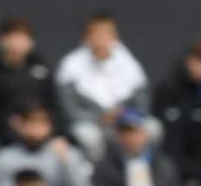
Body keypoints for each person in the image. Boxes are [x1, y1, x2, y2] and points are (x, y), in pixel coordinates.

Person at [54, 13, 149, 160]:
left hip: (125, 122)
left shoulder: (129, 64)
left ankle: (134, 169)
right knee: (88, 136)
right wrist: (99, 118)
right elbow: (69, 109)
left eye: (106, 33)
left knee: (152, 129)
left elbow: (142, 104)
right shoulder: (71, 66)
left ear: (115, 37)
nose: (101, 39)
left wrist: (123, 116)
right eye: (95, 33)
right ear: (86, 37)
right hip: (90, 124)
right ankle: (98, 176)